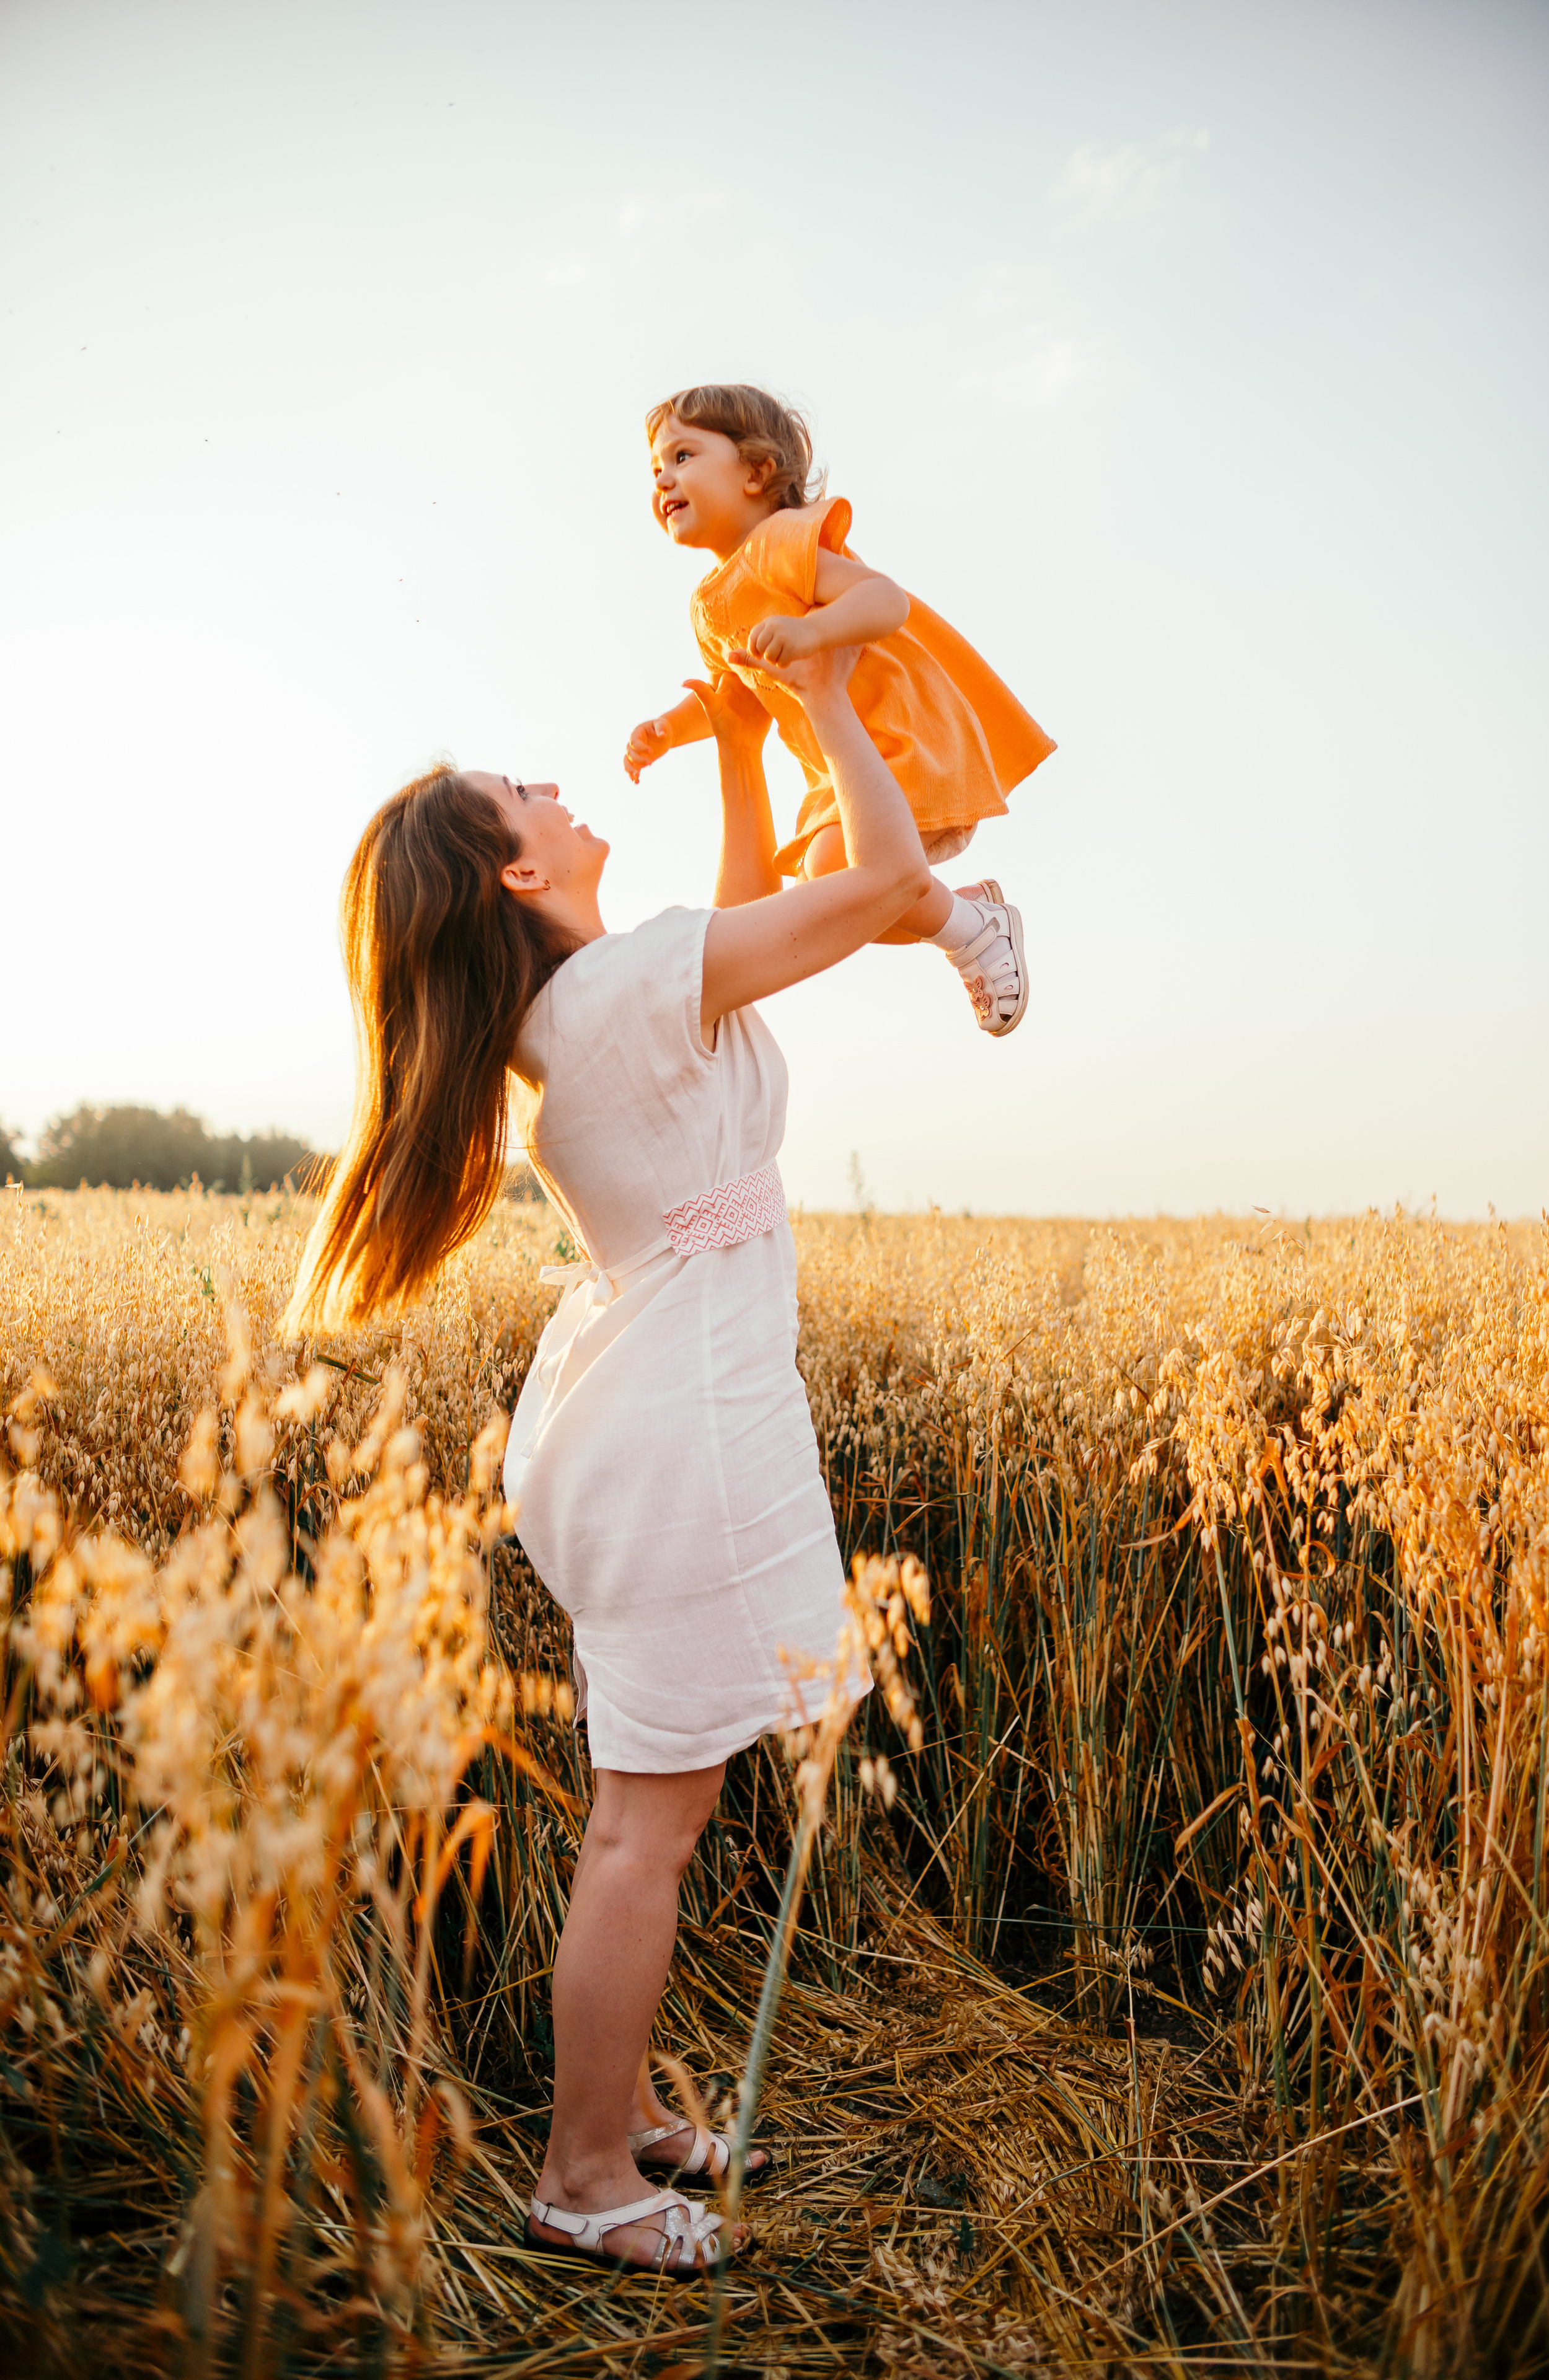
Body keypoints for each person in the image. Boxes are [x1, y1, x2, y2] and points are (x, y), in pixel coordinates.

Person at [283, 640, 930, 2277]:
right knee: (648, 1827)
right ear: (518, 865)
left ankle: (624, 2111)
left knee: (647, 1813)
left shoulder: (600, 998)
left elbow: (738, 924)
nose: (560, 786)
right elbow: (889, 882)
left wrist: (733, 746)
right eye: (528, 789)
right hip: (678, 1434)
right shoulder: (626, 991)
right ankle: (584, 2177)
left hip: (648, 1411)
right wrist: (833, 699)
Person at [625, 381, 1055, 1037]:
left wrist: (813, 632)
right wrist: (669, 729)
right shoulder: (709, 604)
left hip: (894, 739)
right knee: (830, 898)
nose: (663, 480)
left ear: (756, 471)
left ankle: (969, 930)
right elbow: (733, 699)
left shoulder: (780, 543)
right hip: (842, 770)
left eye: (683, 456)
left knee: (836, 875)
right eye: (655, 469)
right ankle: (968, 921)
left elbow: (884, 600)